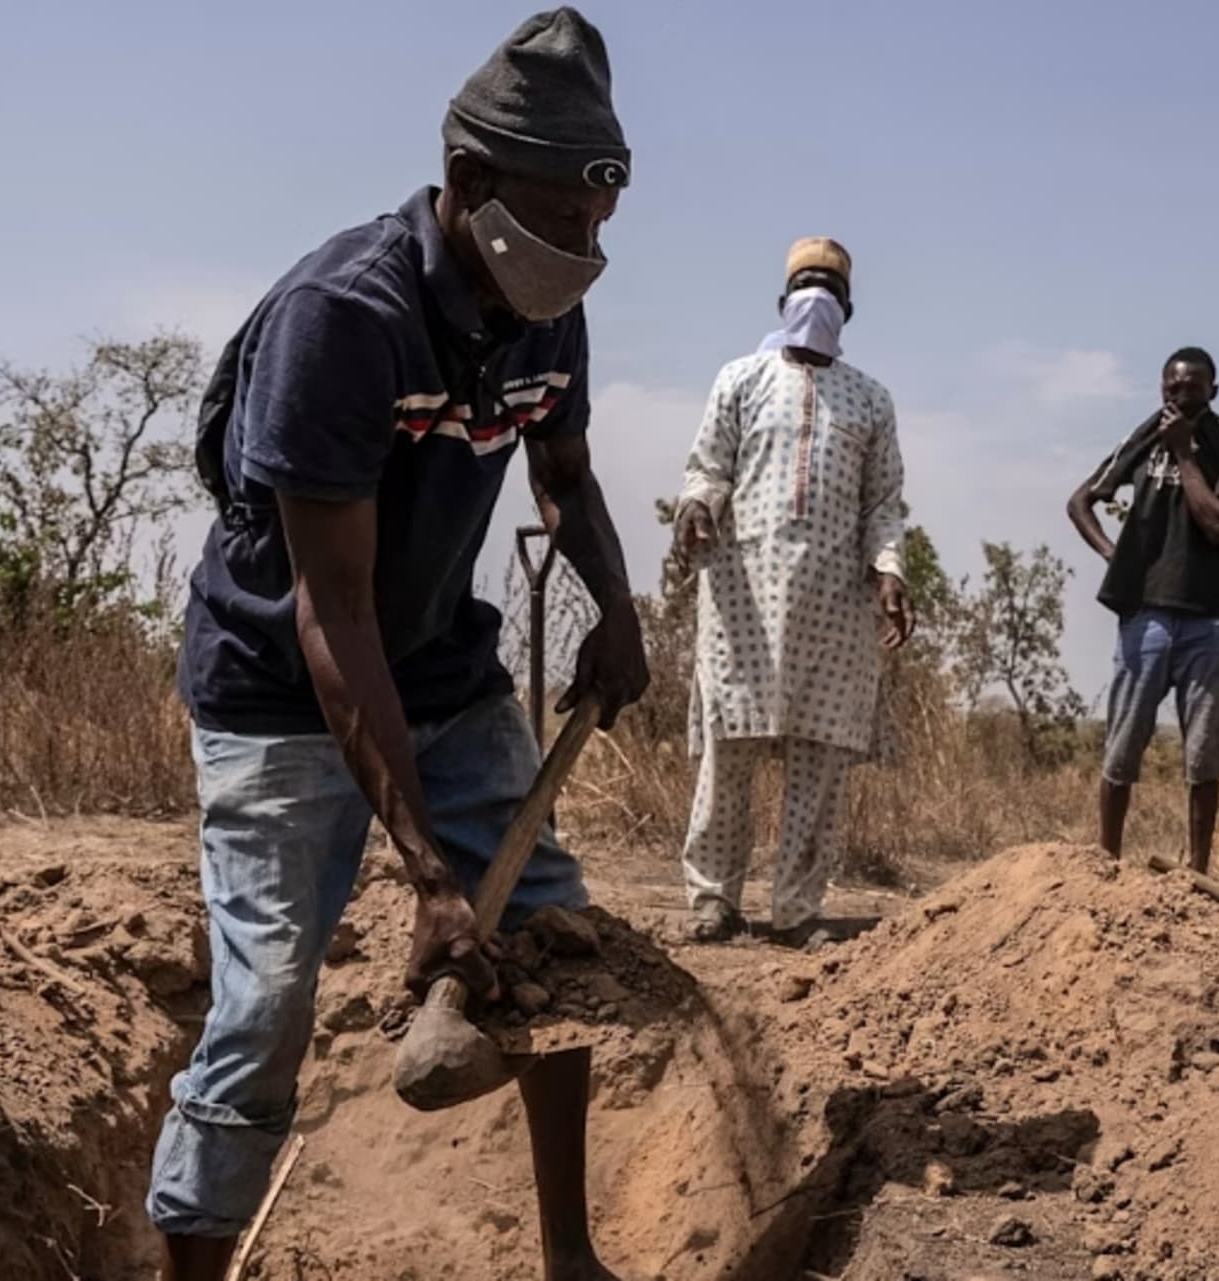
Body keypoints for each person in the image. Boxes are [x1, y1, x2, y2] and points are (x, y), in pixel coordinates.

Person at [150, 11, 647, 1280]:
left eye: (600, 224)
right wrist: (426, 875)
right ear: (470, 182)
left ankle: (571, 1257)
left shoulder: (547, 310)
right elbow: (334, 610)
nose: (587, 252)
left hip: (435, 665)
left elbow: (566, 470)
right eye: (562, 221)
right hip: (277, 683)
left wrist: (617, 604)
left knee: (553, 931)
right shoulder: (343, 317)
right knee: (264, 1008)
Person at [671, 238, 914, 947]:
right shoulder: (740, 378)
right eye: (805, 284)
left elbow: (884, 504)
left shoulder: (871, 399)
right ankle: (712, 900)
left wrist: (891, 570)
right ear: (782, 301)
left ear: (848, 308)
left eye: (828, 287)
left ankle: (797, 909)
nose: (816, 297)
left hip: (835, 604)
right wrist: (695, 507)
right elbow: (706, 466)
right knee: (729, 754)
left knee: (820, 766)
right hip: (743, 593)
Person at [1067, 348, 1219, 873]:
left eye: (1193, 387)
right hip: (1144, 615)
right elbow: (1080, 500)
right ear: (1160, 389)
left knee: (1203, 757)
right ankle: (1106, 864)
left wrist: (1185, 456)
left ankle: (1198, 875)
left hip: (1208, 618)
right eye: (1172, 387)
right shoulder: (1143, 436)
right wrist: (1116, 556)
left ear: (1212, 391)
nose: (1180, 396)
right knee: (1122, 746)